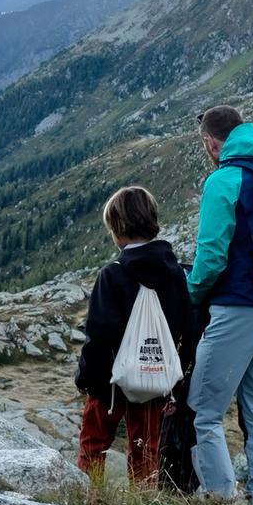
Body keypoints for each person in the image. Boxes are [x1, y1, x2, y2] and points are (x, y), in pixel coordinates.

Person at [185, 105, 253, 505]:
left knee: (206, 411)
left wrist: (190, 296)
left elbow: (211, 258)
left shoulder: (224, 180)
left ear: (212, 142)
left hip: (238, 309)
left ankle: (221, 500)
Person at [75, 185, 192, 486]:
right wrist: (175, 383)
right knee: (146, 451)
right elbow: (186, 327)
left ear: (118, 228)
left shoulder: (112, 274)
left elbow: (99, 336)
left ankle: (91, 500)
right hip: (155, 380)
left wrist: (88, 379)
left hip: (110, 384)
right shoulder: (177, 273)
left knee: (94, 444)